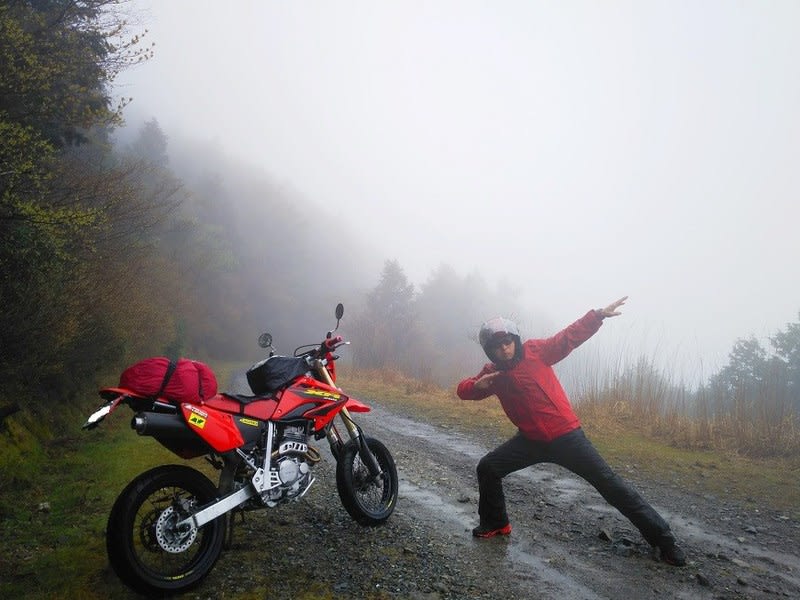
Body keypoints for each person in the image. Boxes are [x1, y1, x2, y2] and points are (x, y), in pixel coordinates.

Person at [455, 296, 687, 567]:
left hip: (567, 437)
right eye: (497, 347)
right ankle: (496, 523)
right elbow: (463, 389)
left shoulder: (536, 352)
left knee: (610, 485)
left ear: (516, 340)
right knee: (488, 468)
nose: (504, 349)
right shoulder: (492, 374)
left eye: (508, 343)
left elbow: (567, 338)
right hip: (530, 441)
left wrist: (597, 315)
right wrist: (476, 387)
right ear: (489, 351)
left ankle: (664, 540)